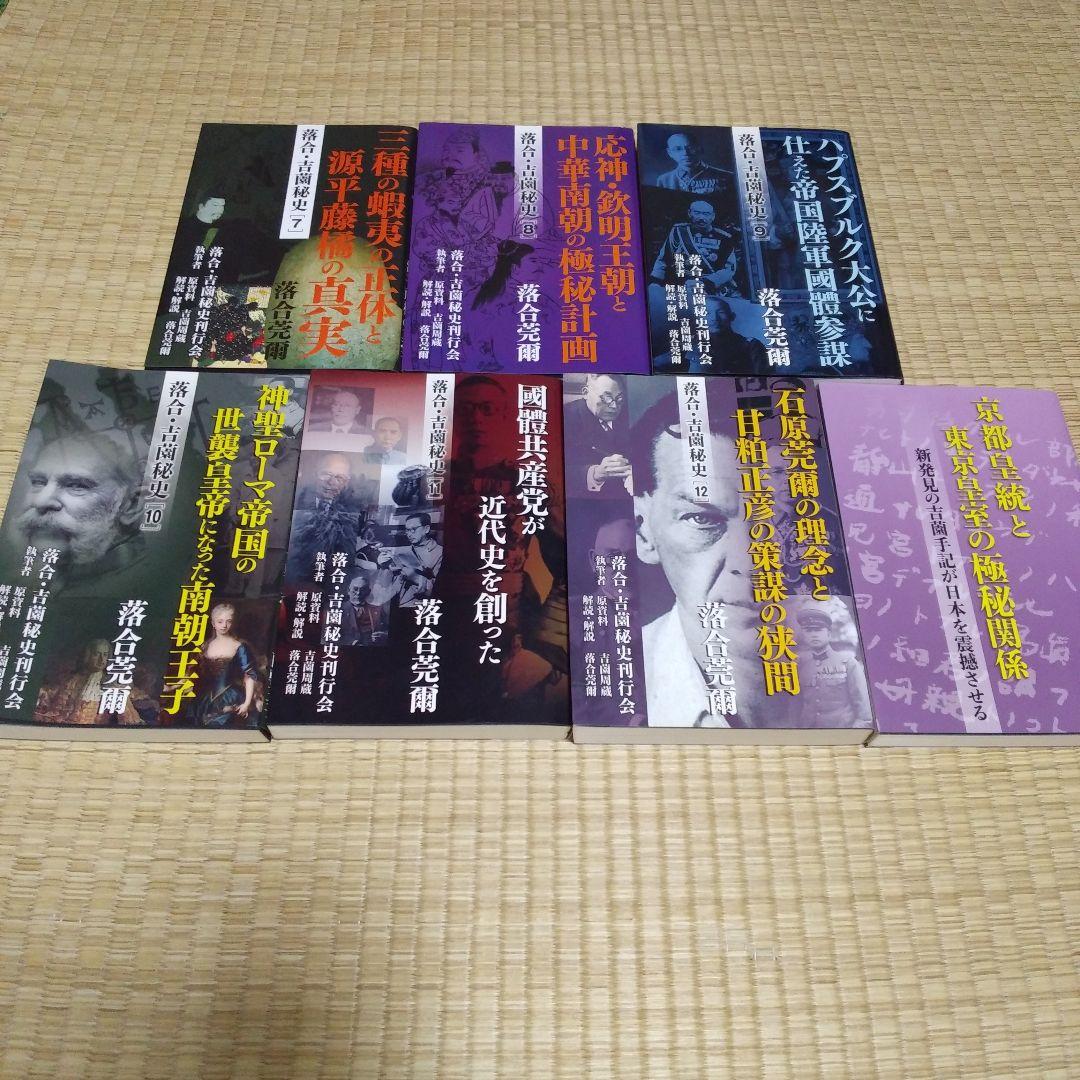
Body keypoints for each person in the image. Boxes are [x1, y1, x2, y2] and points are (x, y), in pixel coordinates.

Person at [630, 392, 781, 729]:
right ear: (643, 532)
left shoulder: (857, 659)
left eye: (774, 518)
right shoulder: (618, 681)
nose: (752, 562)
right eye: (702, 519)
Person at [12, 432, 147, 592]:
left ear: (131, 505)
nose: (40, 502)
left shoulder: (143, 583)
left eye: (76, 486)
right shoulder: (17, 582)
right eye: (38, 482)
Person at [285, 452, 363, 583]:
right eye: (326, 474)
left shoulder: (350, 512)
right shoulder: (295, 500)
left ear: (346, 483)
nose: (331, 482)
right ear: (315, 474)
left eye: (340, 478)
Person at [793, 604, 872, 728]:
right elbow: (795, 706)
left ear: (829, 633)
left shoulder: (848, 663)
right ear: (804, 635)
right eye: (809, 630)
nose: (814, 634)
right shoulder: (800, 665)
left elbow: (864, 712)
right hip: (808, 731)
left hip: (841, 730)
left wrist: (852, 732)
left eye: (818, 630)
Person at [35, 638, 143, 726]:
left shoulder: (112, 685)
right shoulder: (72, 680)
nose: (101, 659)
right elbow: (53, 702)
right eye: (96, 654)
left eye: (105, 655)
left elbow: (128, 719)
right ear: (88, 655)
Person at [190, 602, 259, 727]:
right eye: (220, 621)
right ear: (213, 623)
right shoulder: (205, 646)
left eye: (228, 621)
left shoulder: (239, 646)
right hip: (205, 699)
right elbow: (193, 673)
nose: (224, 625)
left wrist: (247, 703)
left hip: (231, 697)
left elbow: (249, 675)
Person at [562, 375, 631, 498]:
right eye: (607, 398)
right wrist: (595, 473)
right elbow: (553, 472)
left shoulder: (628, 414)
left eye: (619, 399)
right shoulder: (564, 417)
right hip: (584, 501)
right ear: (585, 393)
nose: (614, 406)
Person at [650, 201, 740, 292]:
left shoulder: (724, 238)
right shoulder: (678, 232)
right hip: (680, 286)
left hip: (710, 288)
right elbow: (663, 259)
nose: (701, 218)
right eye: (697, 213)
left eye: (706, 214)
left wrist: (706, 283)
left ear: (713, 216)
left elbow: (729, 269)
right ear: (689, 213)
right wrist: (656, 281)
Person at [364, 512, 443, 608]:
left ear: (426, 529)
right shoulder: (402, 549)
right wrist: (383, 566)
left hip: (417, 606)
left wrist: (415, 577)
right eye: (407, 530)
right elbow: (384, 585)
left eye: (413, 529)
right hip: (392, 603)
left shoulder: (440, 553)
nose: (409, 534)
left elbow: (440, 590)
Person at [655, 132, 730, 194]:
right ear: (670, 153)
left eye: (690, 148)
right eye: (678, 149)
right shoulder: (664, 180)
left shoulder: (726, 176)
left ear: (699, 149)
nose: (685, 153)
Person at [340, 573, 389, 646]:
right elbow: (329, 633)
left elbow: (388, 630)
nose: (358, 593)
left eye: (363, 589)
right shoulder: (338, 609)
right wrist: (352, 643)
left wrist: (384, 636)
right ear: (348, 590)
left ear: (368, 592)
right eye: (355, 589)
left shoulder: (378, 610)